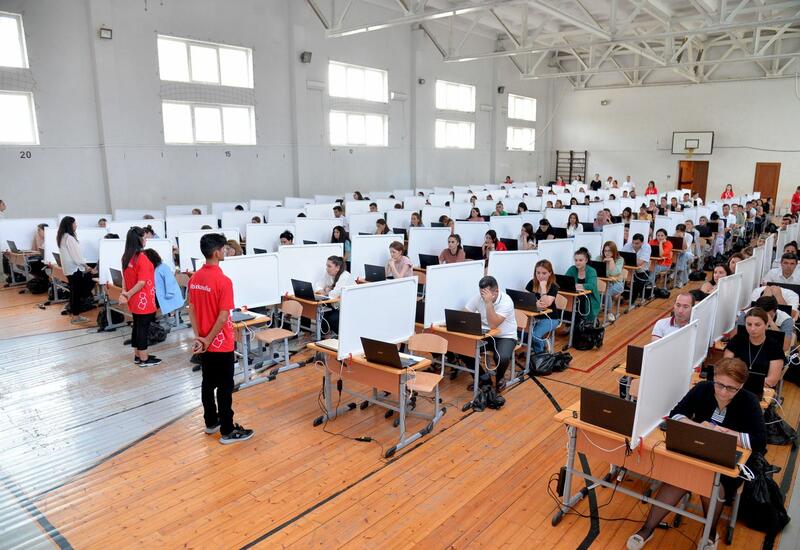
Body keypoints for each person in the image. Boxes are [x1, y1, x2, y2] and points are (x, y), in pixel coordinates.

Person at [626, 357, 765, 550]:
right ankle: (647, 529)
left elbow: (759, 441)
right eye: (720, 384)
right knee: (678, 479)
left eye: (731, 388)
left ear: (741, 386)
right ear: (714, 378)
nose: (723, 392)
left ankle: (710, 533)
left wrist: (725, 433)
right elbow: (675, 415)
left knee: (713, 486)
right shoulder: (703, 389)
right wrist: (700, 427)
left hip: (728, 460)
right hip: (697, 450)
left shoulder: (749, 401)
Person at [188, 233, 253, 444]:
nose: (226, 251)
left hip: (204, 342)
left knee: (208, 383)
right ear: (217, 252)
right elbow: (223, 316)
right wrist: (208, 339)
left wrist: (200, 337)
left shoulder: (195, 278)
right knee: (225, 387)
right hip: (221, 343)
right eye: (224, 249)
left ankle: (211, 422)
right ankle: (227, 430)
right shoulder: (223, 281)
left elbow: (192, 309)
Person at [463, 276, 517, 392]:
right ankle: (483, 378)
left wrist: (488, 303)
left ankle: (500, 378)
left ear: (496, 291)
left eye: (486, 294)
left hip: (505, 336)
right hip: (486, 335)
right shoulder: (478, 297)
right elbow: (465, 314)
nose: (482, 297)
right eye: (481, 293)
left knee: (501, 357)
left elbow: (493, 324)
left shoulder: (506, 301)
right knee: (464, 350)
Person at [120, 227, 161, 367]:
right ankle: (144, 359)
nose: (146, 240)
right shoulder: (141, 258)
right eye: (144, 237)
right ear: (139, 239)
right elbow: (142, 282)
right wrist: (128, 293)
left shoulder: (126, 257)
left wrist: (126, 293)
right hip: (144, 298)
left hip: (134, 300)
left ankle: (138, 355)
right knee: (143, 328)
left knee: (137, 326)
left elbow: (124, 278)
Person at [723, 307, 784, 399]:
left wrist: (741, 383)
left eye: (757, 325)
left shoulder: (775, 347)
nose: (752, 329)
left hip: (759, 390)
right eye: (749, 324)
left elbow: (772, 380)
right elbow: (725, 367)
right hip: (733, 386)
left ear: (766, 325)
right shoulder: (737, 340)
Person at [56, 216, 96, 323]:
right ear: (70, 225)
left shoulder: (62, 237)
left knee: (74, 292)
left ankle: (74, 313)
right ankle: (76, 316)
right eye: (74, 223)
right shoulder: (69, 238)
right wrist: (87, 267)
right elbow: (77, 258)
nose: (76, 225)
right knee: (77, 293)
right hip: (74, 269)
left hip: (69, 270)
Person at [523, 260, 561, 354]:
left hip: (551, 318)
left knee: (535, 335)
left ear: (550, 273)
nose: (540, 276)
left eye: (544, 273)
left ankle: (541, 356)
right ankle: (543, 343)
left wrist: (543, 287)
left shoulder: (553, 287)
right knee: (523, 334)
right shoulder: (532, 283)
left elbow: (545, 304)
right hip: (534, 317)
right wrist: (535, 303)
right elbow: (525, 299)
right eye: (538, 273)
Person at [142, 248, 184, 317]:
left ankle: (150, 320)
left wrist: (168, 295)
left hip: (168, 296)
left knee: (147, 305)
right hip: (159, 295)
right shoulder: (154, 269)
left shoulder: (163, 268)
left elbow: (170, 283)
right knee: (146, 303)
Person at [320, 256, 356, 335]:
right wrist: (326, 290)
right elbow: (319, 286)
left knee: (332, 318)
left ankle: (342, 336)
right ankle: (324, 335)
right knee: (322, 312)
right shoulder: (329, 274)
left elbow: (334, 294)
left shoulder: (345, 276)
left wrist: (327, 290)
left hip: (349, 307)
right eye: (326, 266)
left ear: (337, 267)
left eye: (329, 266)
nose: (327, 268)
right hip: (336, 304)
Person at [566, 248, 600, 322]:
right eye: (576, 260)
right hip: (575, 296)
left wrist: (576, 285)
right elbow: (566, 282)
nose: (577, 262)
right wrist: (576, 286)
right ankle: (573, 322)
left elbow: (592, 286)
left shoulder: (592, 271)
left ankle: (581, 322)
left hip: (589, 298)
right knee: (567, 301)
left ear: (586, 260)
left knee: (580, 302)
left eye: (580, 260)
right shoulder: (572, 269)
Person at [598, 241, 624, 322]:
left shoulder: (620, 259)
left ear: (614, 251)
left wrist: (611, 261)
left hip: (617, 284)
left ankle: (609, 313)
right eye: (605, 251)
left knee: (606, 292)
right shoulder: (599, 258)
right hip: (603, 283)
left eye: (609, 251)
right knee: (599, 291)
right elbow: (595, 271)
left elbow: (614, 273)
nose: (607, 253)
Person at [622, 233, 652, 303]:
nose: (634, 245)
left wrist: (628, 259)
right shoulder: (627, 245)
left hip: (642, 271)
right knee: (622, 280)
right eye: (633, 243)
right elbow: (620, 258)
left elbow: (639, 263)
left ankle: (632, 300)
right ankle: (625, 296)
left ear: (642, 243)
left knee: (637, 284)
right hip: (629, 270)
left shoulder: (647, 247)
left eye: (637, 243)